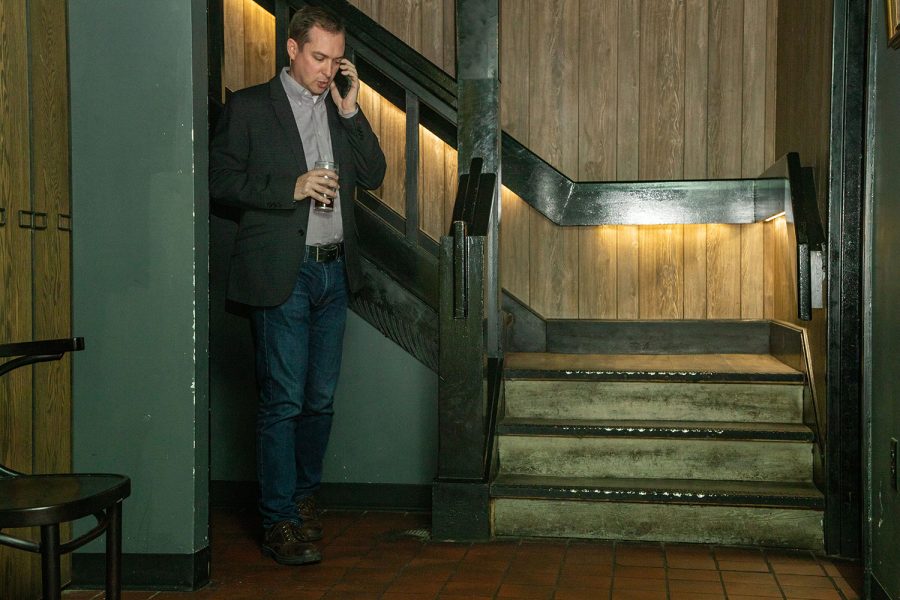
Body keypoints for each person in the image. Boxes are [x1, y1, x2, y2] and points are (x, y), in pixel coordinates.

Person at [209, 6, 386, 566]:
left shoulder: (339, 106)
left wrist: (352, 109)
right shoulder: (250, 106)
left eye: (336, 60)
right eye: (318, 57)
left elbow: (376, 173)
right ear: (291, 48)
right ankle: (279, 519)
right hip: (283, 271)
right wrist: (291, 185)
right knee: (282, 401)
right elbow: (218, 179)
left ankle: (305, 501)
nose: (327, 69)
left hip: (334, 271)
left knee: (320, 400)